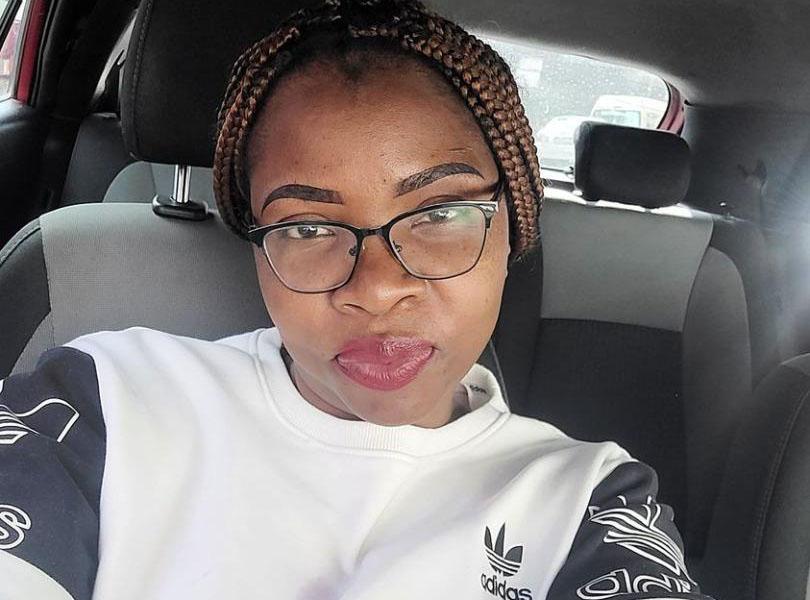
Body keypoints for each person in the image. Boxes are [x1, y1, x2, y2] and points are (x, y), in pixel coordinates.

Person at [0, 1, 714, 598]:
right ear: (257, 247)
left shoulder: (590, 504)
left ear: (513, 230)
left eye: (439, 214)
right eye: (307, 228)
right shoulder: (101, 403)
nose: (375, 289)